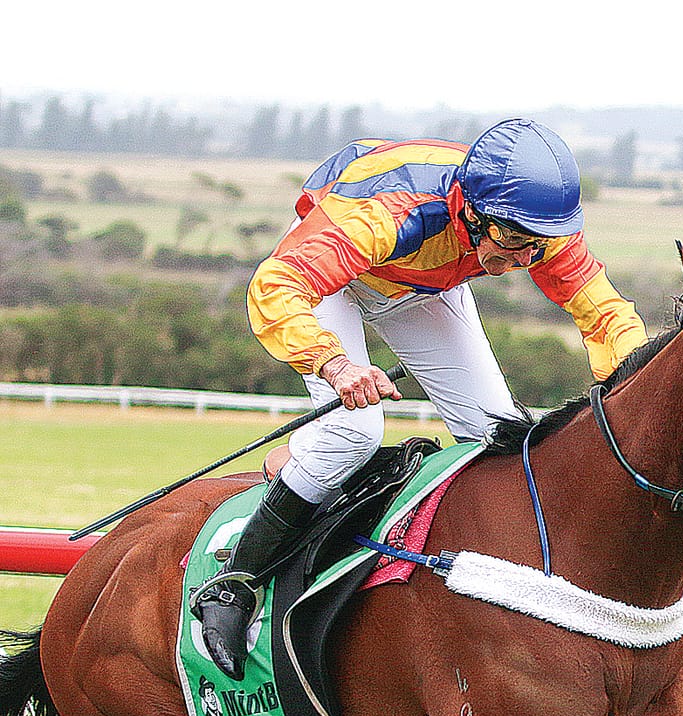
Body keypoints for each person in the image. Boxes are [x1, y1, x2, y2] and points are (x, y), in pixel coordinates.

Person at [192, 118, 648, 679]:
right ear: (471, 211)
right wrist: (334, 364)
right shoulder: (393, 214)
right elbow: (277, 286)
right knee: (354, 432)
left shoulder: (536, 226)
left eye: (536, 248)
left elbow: (605, 312)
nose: (518, 262)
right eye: (508, 243)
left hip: (420, 285)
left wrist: (637, 375)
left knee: (496, 433)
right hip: (334, 277)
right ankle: (235, 584)